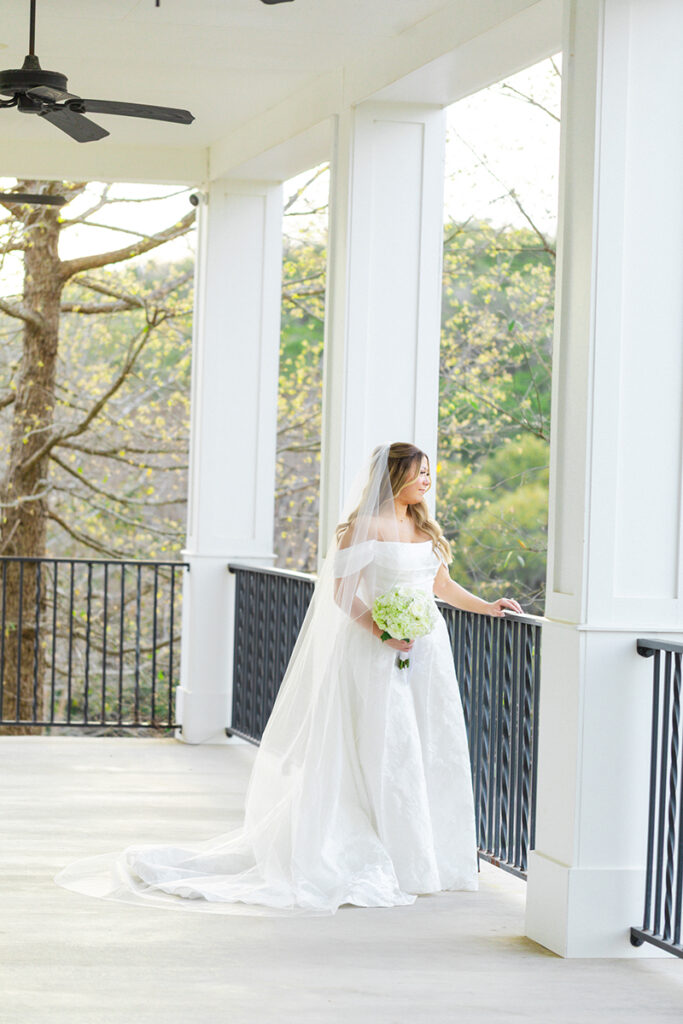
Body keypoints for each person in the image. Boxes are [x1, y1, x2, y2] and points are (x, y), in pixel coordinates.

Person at [56, 442, 522, 915]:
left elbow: (440, 587)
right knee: (386, 748)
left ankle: (429, 856)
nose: (428, 480)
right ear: (394, 475)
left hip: (428, 654)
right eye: (419, 472)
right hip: (377, 654)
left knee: (429, 746)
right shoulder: (364, 529)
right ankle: (390, 853)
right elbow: (342, 594)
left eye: (429, 472)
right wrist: (383, 630)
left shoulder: (424, 527)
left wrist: (487, 606)